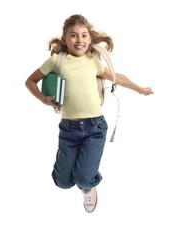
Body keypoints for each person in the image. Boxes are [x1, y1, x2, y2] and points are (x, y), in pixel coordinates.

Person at [25, 14, 154, 213]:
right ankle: (81, 175)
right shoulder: (55, 61)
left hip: (95, 127)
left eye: (84, 35)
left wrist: (139, 88)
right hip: (68, 129)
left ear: (89, 39)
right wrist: (43, 99)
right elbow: (30, 81)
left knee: (84, 178)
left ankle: (88, 185)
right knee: (62, 182)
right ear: (64, 39)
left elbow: (117, 77)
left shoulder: (92, 62)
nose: (80, 40)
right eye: (74, 35)